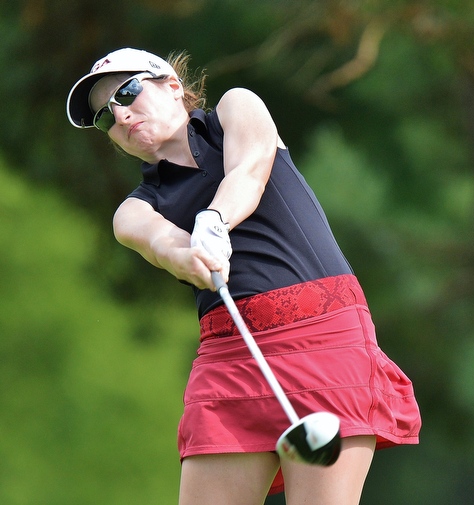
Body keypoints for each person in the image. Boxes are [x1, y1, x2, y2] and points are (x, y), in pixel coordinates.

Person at [67, 47, 421, 505]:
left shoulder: (237, 108)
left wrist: (214, 220)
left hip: (324, 341)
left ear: (173, 86)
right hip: (228, 359)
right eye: (104, 117)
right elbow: (163, 246)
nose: (119, 114)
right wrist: (191, 256)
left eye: (127, 92)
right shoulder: (133, 210)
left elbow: (249, 171)